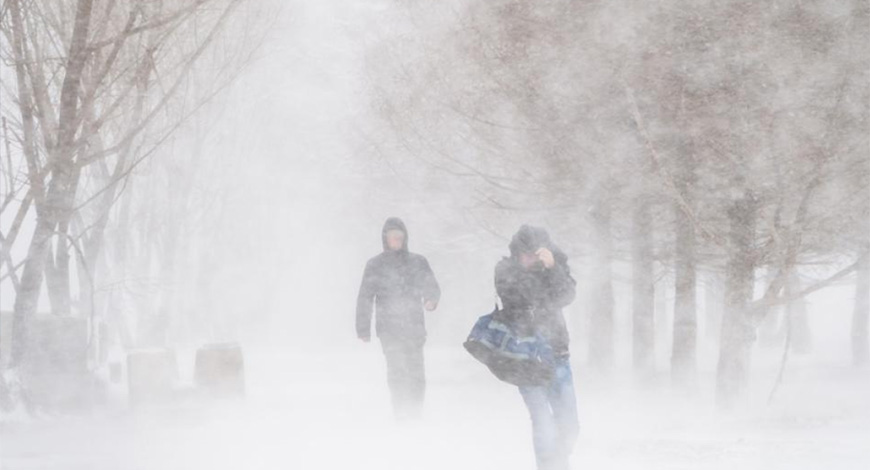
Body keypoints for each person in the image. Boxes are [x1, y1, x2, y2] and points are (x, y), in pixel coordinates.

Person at [495, 225, 578, 470]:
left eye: (536, 253)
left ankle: (559, 464)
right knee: (543, 423)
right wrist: (537, 273)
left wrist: (553, 268)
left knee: (570, 424)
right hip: (526, 357)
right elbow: (517, 299)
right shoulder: (505, 270)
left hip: (558, 353)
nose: (531, 258)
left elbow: (566, 296)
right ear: (517, 253)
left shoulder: (556, 267)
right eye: (526, 254)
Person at [356, 217, 441, 419]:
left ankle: (415, 412)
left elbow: (432, 286)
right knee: (397, 372)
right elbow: (365, 297)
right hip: (389, 330)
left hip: (414, 328)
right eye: (392, 236)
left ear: (405, 238)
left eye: (400, 237)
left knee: (416, 373)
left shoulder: (418, 262)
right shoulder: (375, 265)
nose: (396, 240)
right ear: (385, 238)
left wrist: (431, 300)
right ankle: (401, 414)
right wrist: (363, 329)